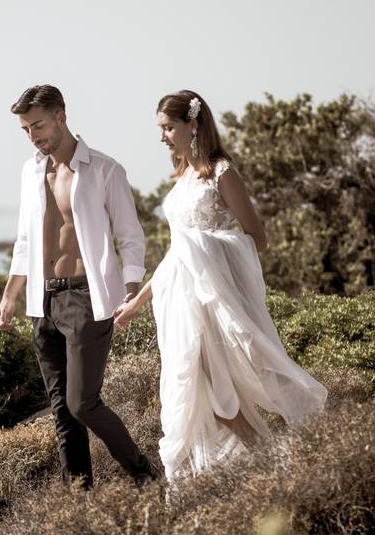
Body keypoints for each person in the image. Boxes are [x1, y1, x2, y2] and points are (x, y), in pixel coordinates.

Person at [113, 90, 327, 480]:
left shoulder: (222, 172)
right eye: (160, 128)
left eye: (167, 128)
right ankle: (267, 464)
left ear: (192, 124)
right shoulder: (181, 178)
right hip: (182, 301)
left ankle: (278, 461)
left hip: (215, 300)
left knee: (220, 388)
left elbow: (256, 237)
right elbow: (176, 254)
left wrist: (206, 244)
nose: (162, 137)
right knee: (201, 389)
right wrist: (136, 303)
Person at [0, 84, 160, 488]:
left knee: (82, 403)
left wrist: (131, 289)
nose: (33, 135)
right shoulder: (30, 171)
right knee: (62, 412)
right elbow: (26, 239)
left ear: (61, 117)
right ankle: (78, 500)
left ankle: (144, 473)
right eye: (25, 129)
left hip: (87, 298)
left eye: (38, 125)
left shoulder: (104, 170)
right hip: (44, 300)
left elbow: (130, 236)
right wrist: (10, 296)